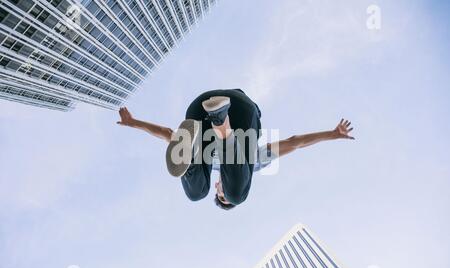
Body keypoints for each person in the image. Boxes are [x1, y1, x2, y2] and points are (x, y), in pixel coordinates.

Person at [117, 89, 354, 210]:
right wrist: (331, 134)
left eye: (220, 193)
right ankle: (222, 124)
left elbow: (169, 134)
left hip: (198, 110)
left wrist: (134, 123)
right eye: (224, 193)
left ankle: (192, 154)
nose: (222, 189)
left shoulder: (208, 170)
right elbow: (295, 142)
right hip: (241, 110)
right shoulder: (256, 162)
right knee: (238, 194)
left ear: (217, 186)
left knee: (196, 193)